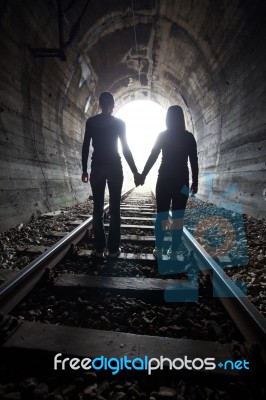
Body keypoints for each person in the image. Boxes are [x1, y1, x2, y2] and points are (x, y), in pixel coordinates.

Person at [82, 92, 141, 258]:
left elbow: (86, 147)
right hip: (115, 167)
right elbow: (125, 149)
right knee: (115, 210)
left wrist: (84, 169)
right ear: (113, 105)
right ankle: (114, 250)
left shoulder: (91, 122)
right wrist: (136, 171)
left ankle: (99, 249)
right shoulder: (119, 123)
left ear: (99, 104)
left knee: (97, 209)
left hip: (97, 167)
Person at [140, 105, 198, 259]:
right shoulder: (188, 137)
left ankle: (159, 250)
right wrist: (195, 182)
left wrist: (143, 175)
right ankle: (173, 252)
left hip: (164, 179)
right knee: (178, 217)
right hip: (182, 181)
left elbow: (153, 156)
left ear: (167, 119)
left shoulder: (162, 135)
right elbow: (194, 161)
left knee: (162, 215)